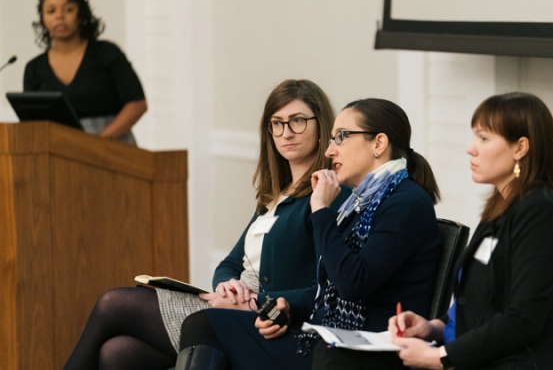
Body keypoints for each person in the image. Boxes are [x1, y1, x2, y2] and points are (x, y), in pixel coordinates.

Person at [63, 79, 348, 370]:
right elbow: (229, 263)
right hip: (232, 306)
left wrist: (255, 301)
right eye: (277, 123)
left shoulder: (327, 194)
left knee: (114, 304)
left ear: (320, 124)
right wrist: (228, 285)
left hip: (266, 318)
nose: (286, 132)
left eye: (297, 121)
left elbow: (327, 285)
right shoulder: (274, 195)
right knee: (118, 352)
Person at [175, 98, 442, 370]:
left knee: (204, 324)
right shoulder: (363, 203)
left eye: (341, 137)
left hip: (362, 351)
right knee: (205, 322)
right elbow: (328, 289)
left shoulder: (405, 202)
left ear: (378, 143)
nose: (330, 151)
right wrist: (286, 307)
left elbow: (353, 283)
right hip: (327, 336)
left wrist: (321, 209)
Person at [386, 92, 553, 370]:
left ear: (520, 147)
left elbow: (522, 319)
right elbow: (482, 303)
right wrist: (434, 328)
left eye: (484, 138)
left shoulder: (542, 211)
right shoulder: (502, 204)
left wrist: (439, 358)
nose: (471, 148)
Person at [24, 0, 147, 145]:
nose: (59, 16)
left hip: (113, 145)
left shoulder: (106, 53)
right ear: (42, 18)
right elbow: (31, 122)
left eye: (68, 9)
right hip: (59, 150)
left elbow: (137, 104)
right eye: (51, 11)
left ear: (81, 14)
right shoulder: (34, 68)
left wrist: (99, 141)